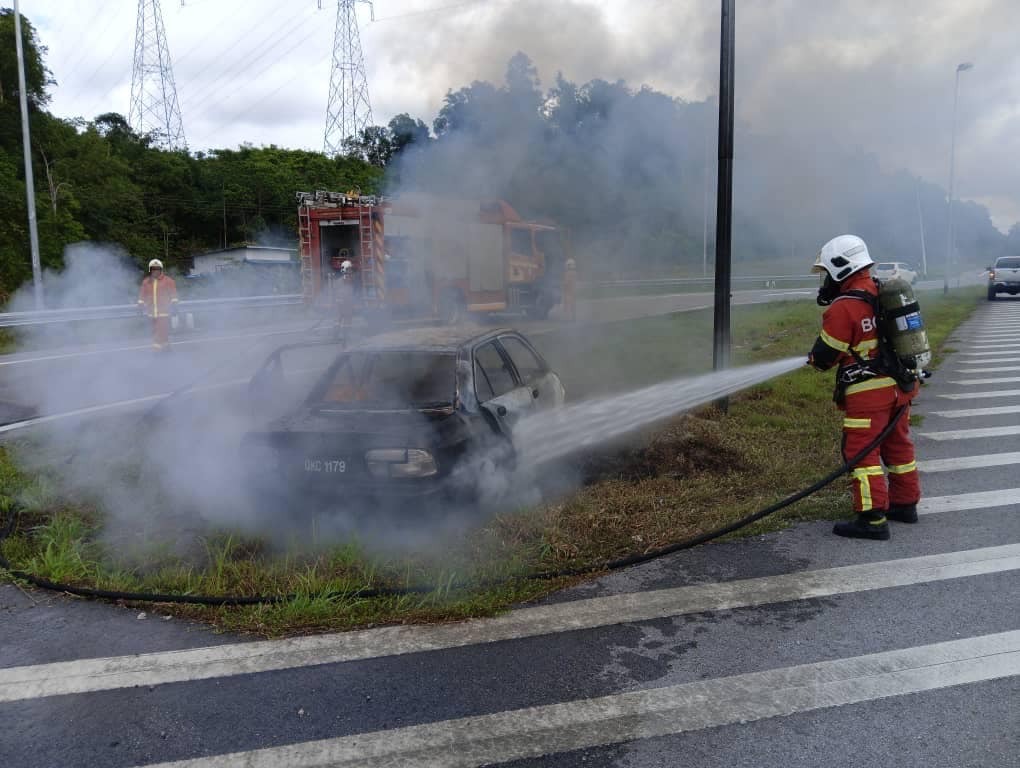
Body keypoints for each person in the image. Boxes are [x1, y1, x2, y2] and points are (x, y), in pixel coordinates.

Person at [808, 235, 921, 540]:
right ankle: (905, 504)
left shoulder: (843, 308)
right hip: (900, 387)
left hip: (869, 395)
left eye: (826, 273)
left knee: (860, 451)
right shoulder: (879, 291)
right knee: (898, 446)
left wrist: (812, 358)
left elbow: (824, 358)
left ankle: (871, 519)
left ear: (840, 268)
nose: (825, 280)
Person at [137, 259, 178, 351]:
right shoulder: (146, 282)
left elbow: (174, 295)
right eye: (153, 269)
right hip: (151, 314)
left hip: (164, 314)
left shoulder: (168, 281)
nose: (155, 271)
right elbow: (142, 296)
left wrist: (175, 307)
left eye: (157, 269)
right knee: (162, 334)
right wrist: (140, 306)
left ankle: (156, 354)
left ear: (161, 269)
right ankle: (167, 349)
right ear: (150, 270)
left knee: (158, 335)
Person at [334, 259, 356, 344]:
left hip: (340, 302)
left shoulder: (339, 280)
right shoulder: (348, 279)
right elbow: (349, 291)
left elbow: (335, 291)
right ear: (346, 269)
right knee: (347, 320)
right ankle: (345, 336)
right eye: (349, 269)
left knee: (338, 319)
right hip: (346, 303)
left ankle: (336, 335)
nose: (351, 270)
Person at [562, 257, 577, 322]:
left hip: (568, 292)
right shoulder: (575, 273)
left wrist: (562, 286)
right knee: (573, 306)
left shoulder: (568, 273)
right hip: (573, 291)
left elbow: (566, 283)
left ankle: (567, 319)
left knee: (567, 306)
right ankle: (573, 318)